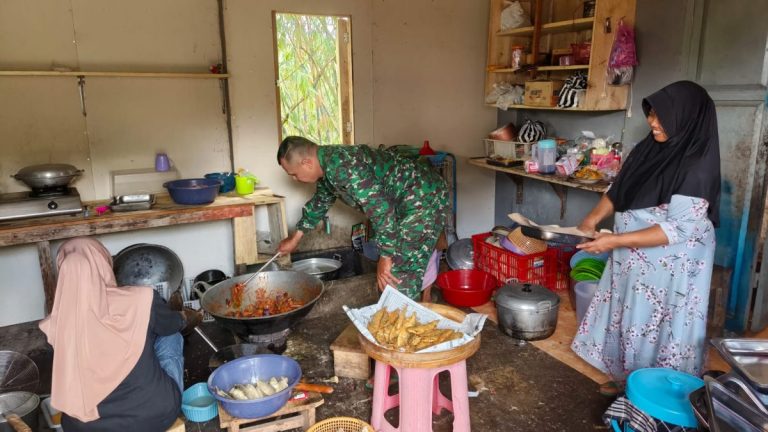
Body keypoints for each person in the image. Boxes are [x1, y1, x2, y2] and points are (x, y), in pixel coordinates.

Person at [570, 81, 720, 394]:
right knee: (630, 317)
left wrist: (612, 241)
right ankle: (628, 378)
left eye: (661, 116)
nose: (652, 121)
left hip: (670, 266)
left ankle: (662, 391)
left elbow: (677, 229)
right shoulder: (649, 149)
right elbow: (620, 188)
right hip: (634, 258)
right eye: (651, 114)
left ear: (687, 119)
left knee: (659, 325)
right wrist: (591, 219)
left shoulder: (696, 166)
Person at [39, 237, 202, 430]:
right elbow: (174, 325)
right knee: (170, 336)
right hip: (155, 415)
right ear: (104, 263)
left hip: (85, 428)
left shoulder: (56, 323)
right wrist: (187, 316)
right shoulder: (140, 299)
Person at [276, 136, 449, 301]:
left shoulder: (344, 167)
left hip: (424, 197)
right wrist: (295, 239)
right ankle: (393, 318)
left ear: (307, 163)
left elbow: (381, 211)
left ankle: (403, 324)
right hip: (404, 202)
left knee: (397, 272)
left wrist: (386, 256)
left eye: (294, 174)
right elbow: (319, 202)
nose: (294, 179)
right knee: (391, 270)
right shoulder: (327, 167)